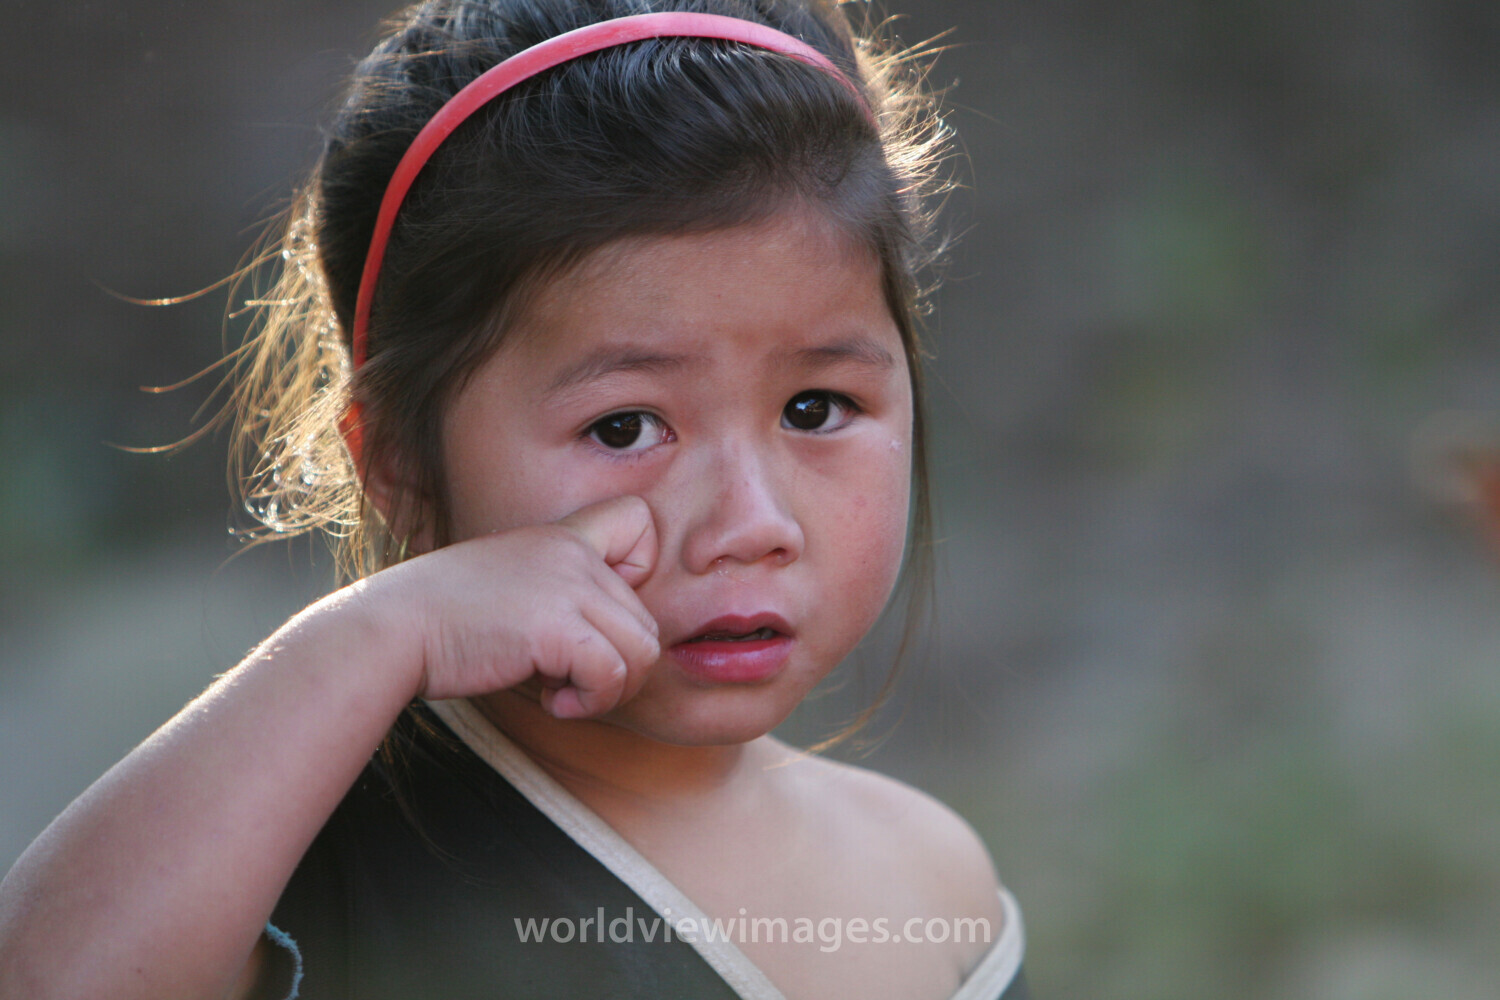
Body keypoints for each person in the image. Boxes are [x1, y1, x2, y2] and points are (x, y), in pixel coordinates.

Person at [0, 1, 1027, 997]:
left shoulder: (935, 883)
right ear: (401, 465)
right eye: (624, 427)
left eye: (815, 407)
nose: (750, 524)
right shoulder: (302, 867)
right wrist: (381, 630)